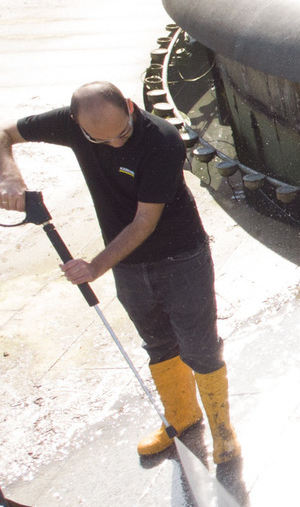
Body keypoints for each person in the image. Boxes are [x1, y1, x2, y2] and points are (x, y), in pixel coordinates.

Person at [0, 82, 240, 465]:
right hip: (127, 265)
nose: (113, 144)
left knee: (199, 345)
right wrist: (10, 176)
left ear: (129, 106)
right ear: (77, 124)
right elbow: (4, 133)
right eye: (99, 140)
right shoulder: (70, 124)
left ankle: (222, 430)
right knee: (158, 343)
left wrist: (95, 265)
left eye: (122, 133)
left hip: (180, 258)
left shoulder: (161, 140)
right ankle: (181, 418)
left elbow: (144, 222)